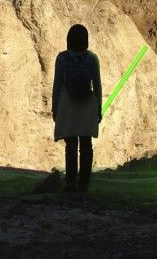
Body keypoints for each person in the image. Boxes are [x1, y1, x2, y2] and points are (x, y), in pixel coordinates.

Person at [52, 23, 102, 192]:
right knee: (86, 144)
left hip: (68, 105)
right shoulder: (92, 59)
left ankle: (71, 181)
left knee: (71, 144)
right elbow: (97, 86)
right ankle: (85, 182)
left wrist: (55, 108)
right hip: (88, 105)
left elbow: (57, 85)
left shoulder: (62, 59)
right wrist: (99, 108)